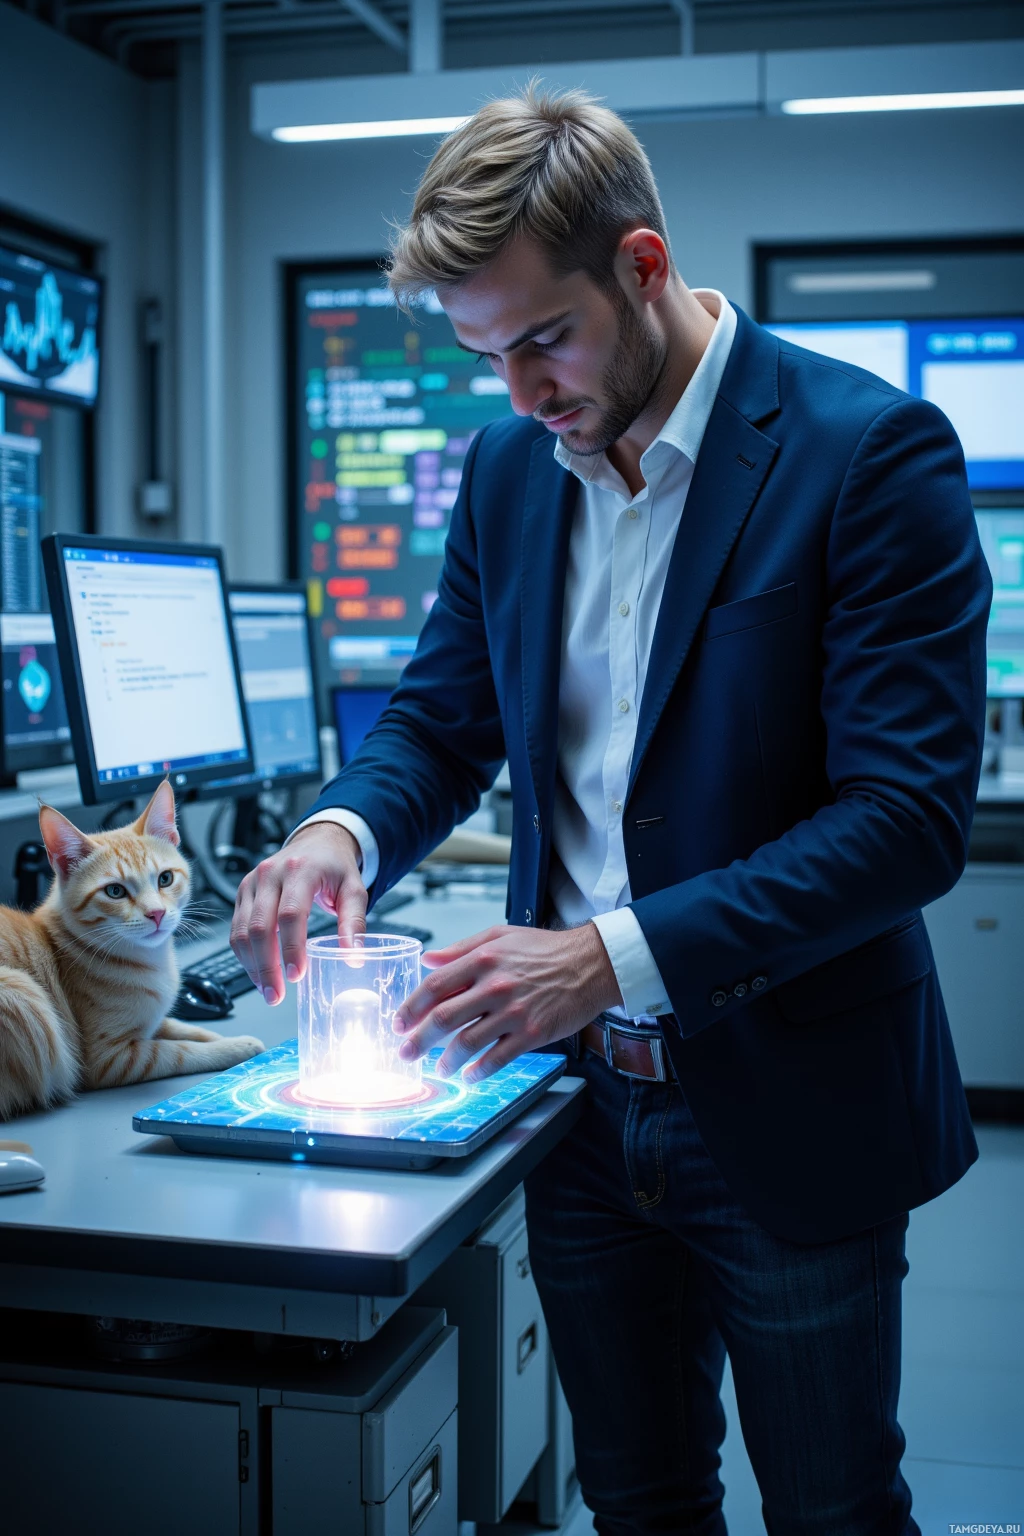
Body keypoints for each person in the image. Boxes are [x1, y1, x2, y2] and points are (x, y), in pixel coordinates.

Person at [231, 87, 992, 1535]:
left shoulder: (866, 452)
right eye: (482, 357)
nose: (519, 392)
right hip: (576, 1113)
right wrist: (340, 832)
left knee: (835, 1509)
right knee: (639, 1501)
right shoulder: (511, 472)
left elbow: (904, 823)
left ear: (643, 266)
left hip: (786, 1100)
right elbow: (440, 722)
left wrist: (608, 955)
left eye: (542, 340)